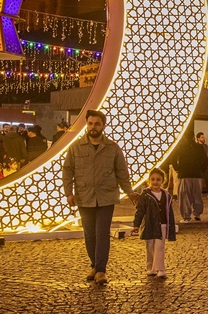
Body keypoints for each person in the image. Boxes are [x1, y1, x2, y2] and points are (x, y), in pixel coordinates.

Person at [62, 109, 138, 285]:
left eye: (97, 124)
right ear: (86, 125)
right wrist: (69, 193)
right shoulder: (75, 147)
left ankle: (101, 270)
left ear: (103, 125)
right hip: (84, 196)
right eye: (90, 123)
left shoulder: (112, 147)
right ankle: (95, 265)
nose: (93, 127)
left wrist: (130, 192)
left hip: (106, 197)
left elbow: (121, 172)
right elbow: (68, 171)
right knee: (89, 235)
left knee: (102, 233)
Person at [131, 167, 176, 278]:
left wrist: (171, 226)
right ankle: (150, 267)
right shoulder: (145, 196)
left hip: (163, 224)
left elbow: (169, 212)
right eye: (153, 179)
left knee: (160, 247)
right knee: (150, 246)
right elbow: (140, 211)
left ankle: (160, 269)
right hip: (149, 225)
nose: (155, 182)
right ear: (149, 180)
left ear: (162, 181)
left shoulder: (166, 195)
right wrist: (136, 224)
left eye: (158, 179)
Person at [173, 132, 208, 222]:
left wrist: (177, 168)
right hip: (197, 175)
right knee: (197, 195)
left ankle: (186, 216)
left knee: (185, 196)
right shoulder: (199, 147)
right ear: (193, 137)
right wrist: (202, 170)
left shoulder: (180, 147)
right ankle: (197, 214)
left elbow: (173, 158)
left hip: (184, 174)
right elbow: (205, 160)